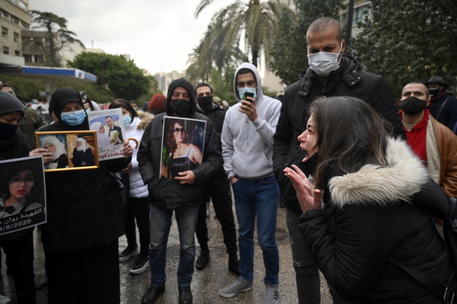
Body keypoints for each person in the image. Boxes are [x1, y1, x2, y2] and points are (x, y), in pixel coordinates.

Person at [272, 17, 404, 304]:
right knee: (304, 267)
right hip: (303, 202)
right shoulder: (294, 92)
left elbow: (394, 142)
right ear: (306, 50)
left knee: (351, 276)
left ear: (342, 45)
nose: (320, 55)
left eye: (328, 47)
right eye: (313, 50)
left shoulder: (372, 86)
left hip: (352, 204)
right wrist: (284, 177)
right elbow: (281, 139)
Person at [284, 96, 456, 303]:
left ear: (335, 139)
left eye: (310, 131)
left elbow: (346, 284)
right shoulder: (372, 169)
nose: (301, 137)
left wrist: (313, 216)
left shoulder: (363, 197)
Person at [29, 87, 133, 304]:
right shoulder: (46, 136)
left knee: (102, 279)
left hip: (100, 216)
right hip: (64, 222)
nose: (74, 112)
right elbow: (33, 179)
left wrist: (123, 155)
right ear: (56, 111)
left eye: (77, 107)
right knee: (68, 282)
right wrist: (33, 160)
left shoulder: (98, 130)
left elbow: (112, 164)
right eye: (67, 109)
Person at [138, 78, 221, 304]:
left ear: (192, 98)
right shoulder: (156, 123)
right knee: (155, 245)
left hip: (190, 196)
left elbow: (215, 158)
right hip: (159, 195)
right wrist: (151, 180)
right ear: (169, 97)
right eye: (176, 95)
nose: (180, 100)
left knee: (187, 246)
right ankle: (157, 283)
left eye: (185, 96)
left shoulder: (203, 124)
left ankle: (184, 285)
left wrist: (198, 174)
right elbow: (143, 155)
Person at [220, 63, 282, 304]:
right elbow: (226, 145)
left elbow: (277, 142)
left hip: (267, 182)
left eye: (250, 83)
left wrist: (256, 118)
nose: (246, 88)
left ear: (257, 82)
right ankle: (245, 278)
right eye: (241, 84)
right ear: (236, 86)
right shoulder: (231, 112)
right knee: (244, 234)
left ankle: (272, 284)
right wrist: (230, 174)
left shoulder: (273, 106)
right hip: (241, 182)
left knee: (266, 239)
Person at [193, 82, 239, 274]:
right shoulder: (192, 118)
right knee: (198, 217)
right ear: (196, 98)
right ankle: (204, 250)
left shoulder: (222, 115)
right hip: (198, 175)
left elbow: (229, 141)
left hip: (218, 174)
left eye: (207, 93)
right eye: (201, 94)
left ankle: (232, 254)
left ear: (212, 94)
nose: (204, 96)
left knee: (226, 216)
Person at [0, 91, 37, 304]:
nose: (14, 125)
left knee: (24, 272)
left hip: (19, 222)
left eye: (17, 120)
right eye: (8, 120)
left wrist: (30, 160)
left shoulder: (19, 140)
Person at [109, 99, 153, 275]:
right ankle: (131, 246)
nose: (121, 117)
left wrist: (132, 164)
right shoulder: (112, 131)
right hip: (121, 183)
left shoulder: (144, 127)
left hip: (140, 182)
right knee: (126, 217)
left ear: (131, 111)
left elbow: (150, 154)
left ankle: (145, 253)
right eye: (116, 115)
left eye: (124, 113)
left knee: (143, 221)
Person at [399, 82, 457, 197]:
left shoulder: (445, 135)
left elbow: (454, 173)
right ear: (401, 99)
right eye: (407, 94)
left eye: (418, 94)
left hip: (427, 206)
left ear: (428, 101)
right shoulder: (382, 129)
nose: (412, 97)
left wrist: (440, 200)